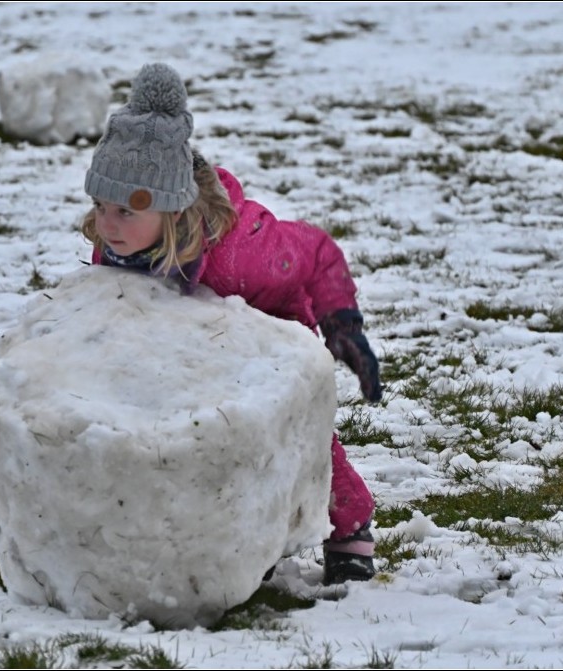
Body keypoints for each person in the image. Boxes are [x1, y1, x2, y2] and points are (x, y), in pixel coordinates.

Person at [80, 63, 382, 585]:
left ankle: (349, 526)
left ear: (173, 211)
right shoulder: (117, 247)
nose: (107, 225)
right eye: (100, 205)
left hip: (267, 342)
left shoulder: (244, 253)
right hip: (190, 343)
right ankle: (219, 533)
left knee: (293, 439)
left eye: (125, 212)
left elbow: (316, 251)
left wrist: (342, 324)